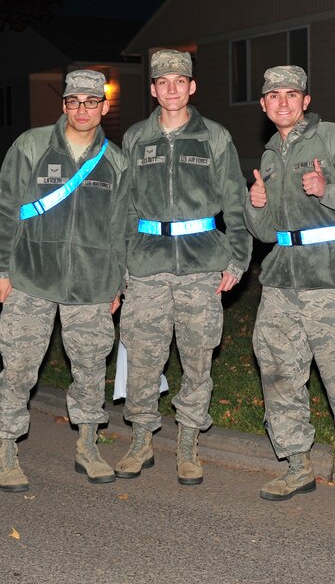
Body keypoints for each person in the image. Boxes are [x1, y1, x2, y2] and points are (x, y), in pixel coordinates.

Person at [244, 66, 335, 517]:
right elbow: (266, 233)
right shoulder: (270, 155)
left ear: (306, 101)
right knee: (279, 377)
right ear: (264, 105)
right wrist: (256, 206)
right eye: (274, 96)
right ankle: (296, 465)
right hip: (281, 283)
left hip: (333, 282)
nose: (283, 102)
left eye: (292, 94)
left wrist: (330, 189)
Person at [0, 70, 128, 489]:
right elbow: (3, 208)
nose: (82, 109)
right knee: (18, 368)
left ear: (103, 106)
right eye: (73, 101)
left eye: (91, 101)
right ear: (64, 105)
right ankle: (6, 449)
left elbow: (122, 227)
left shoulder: (117, 161)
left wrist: (117, 283)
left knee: (90, 368)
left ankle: (88, 446)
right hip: (30, 279)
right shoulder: (31, 146)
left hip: (91, 285)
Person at [116, 49, 252, 485]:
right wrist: (120, 266)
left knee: (197, 358)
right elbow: (123, 207)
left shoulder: (214, 137)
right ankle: (141, 440)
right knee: (142, 358)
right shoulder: (136, 138)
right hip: (146, 265)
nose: (171, 89)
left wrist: (238, 258)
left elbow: (236, 201)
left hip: (201, 266)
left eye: (179, 81)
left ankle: (189, 443)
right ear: (153, 90)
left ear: (191, 87)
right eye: (163, 82)